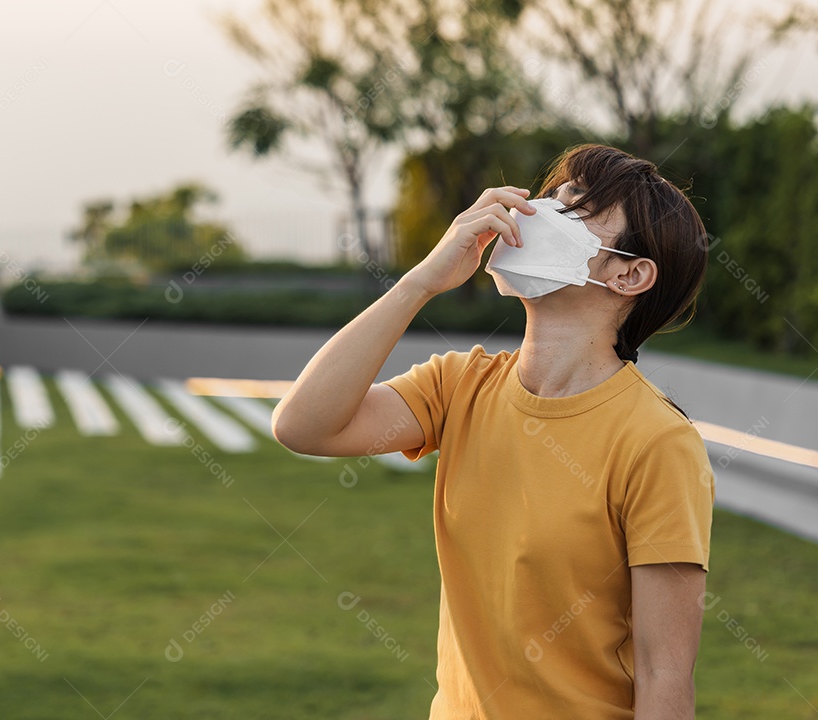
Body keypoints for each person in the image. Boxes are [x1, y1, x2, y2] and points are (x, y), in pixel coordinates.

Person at [272, 143, 715, 720]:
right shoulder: (458, 386)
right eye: (556, 195)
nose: (541, 212)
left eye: (579, 207)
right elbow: (303, 426)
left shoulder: (658, 441)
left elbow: (664, 674)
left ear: (629, 274)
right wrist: (419, 283)